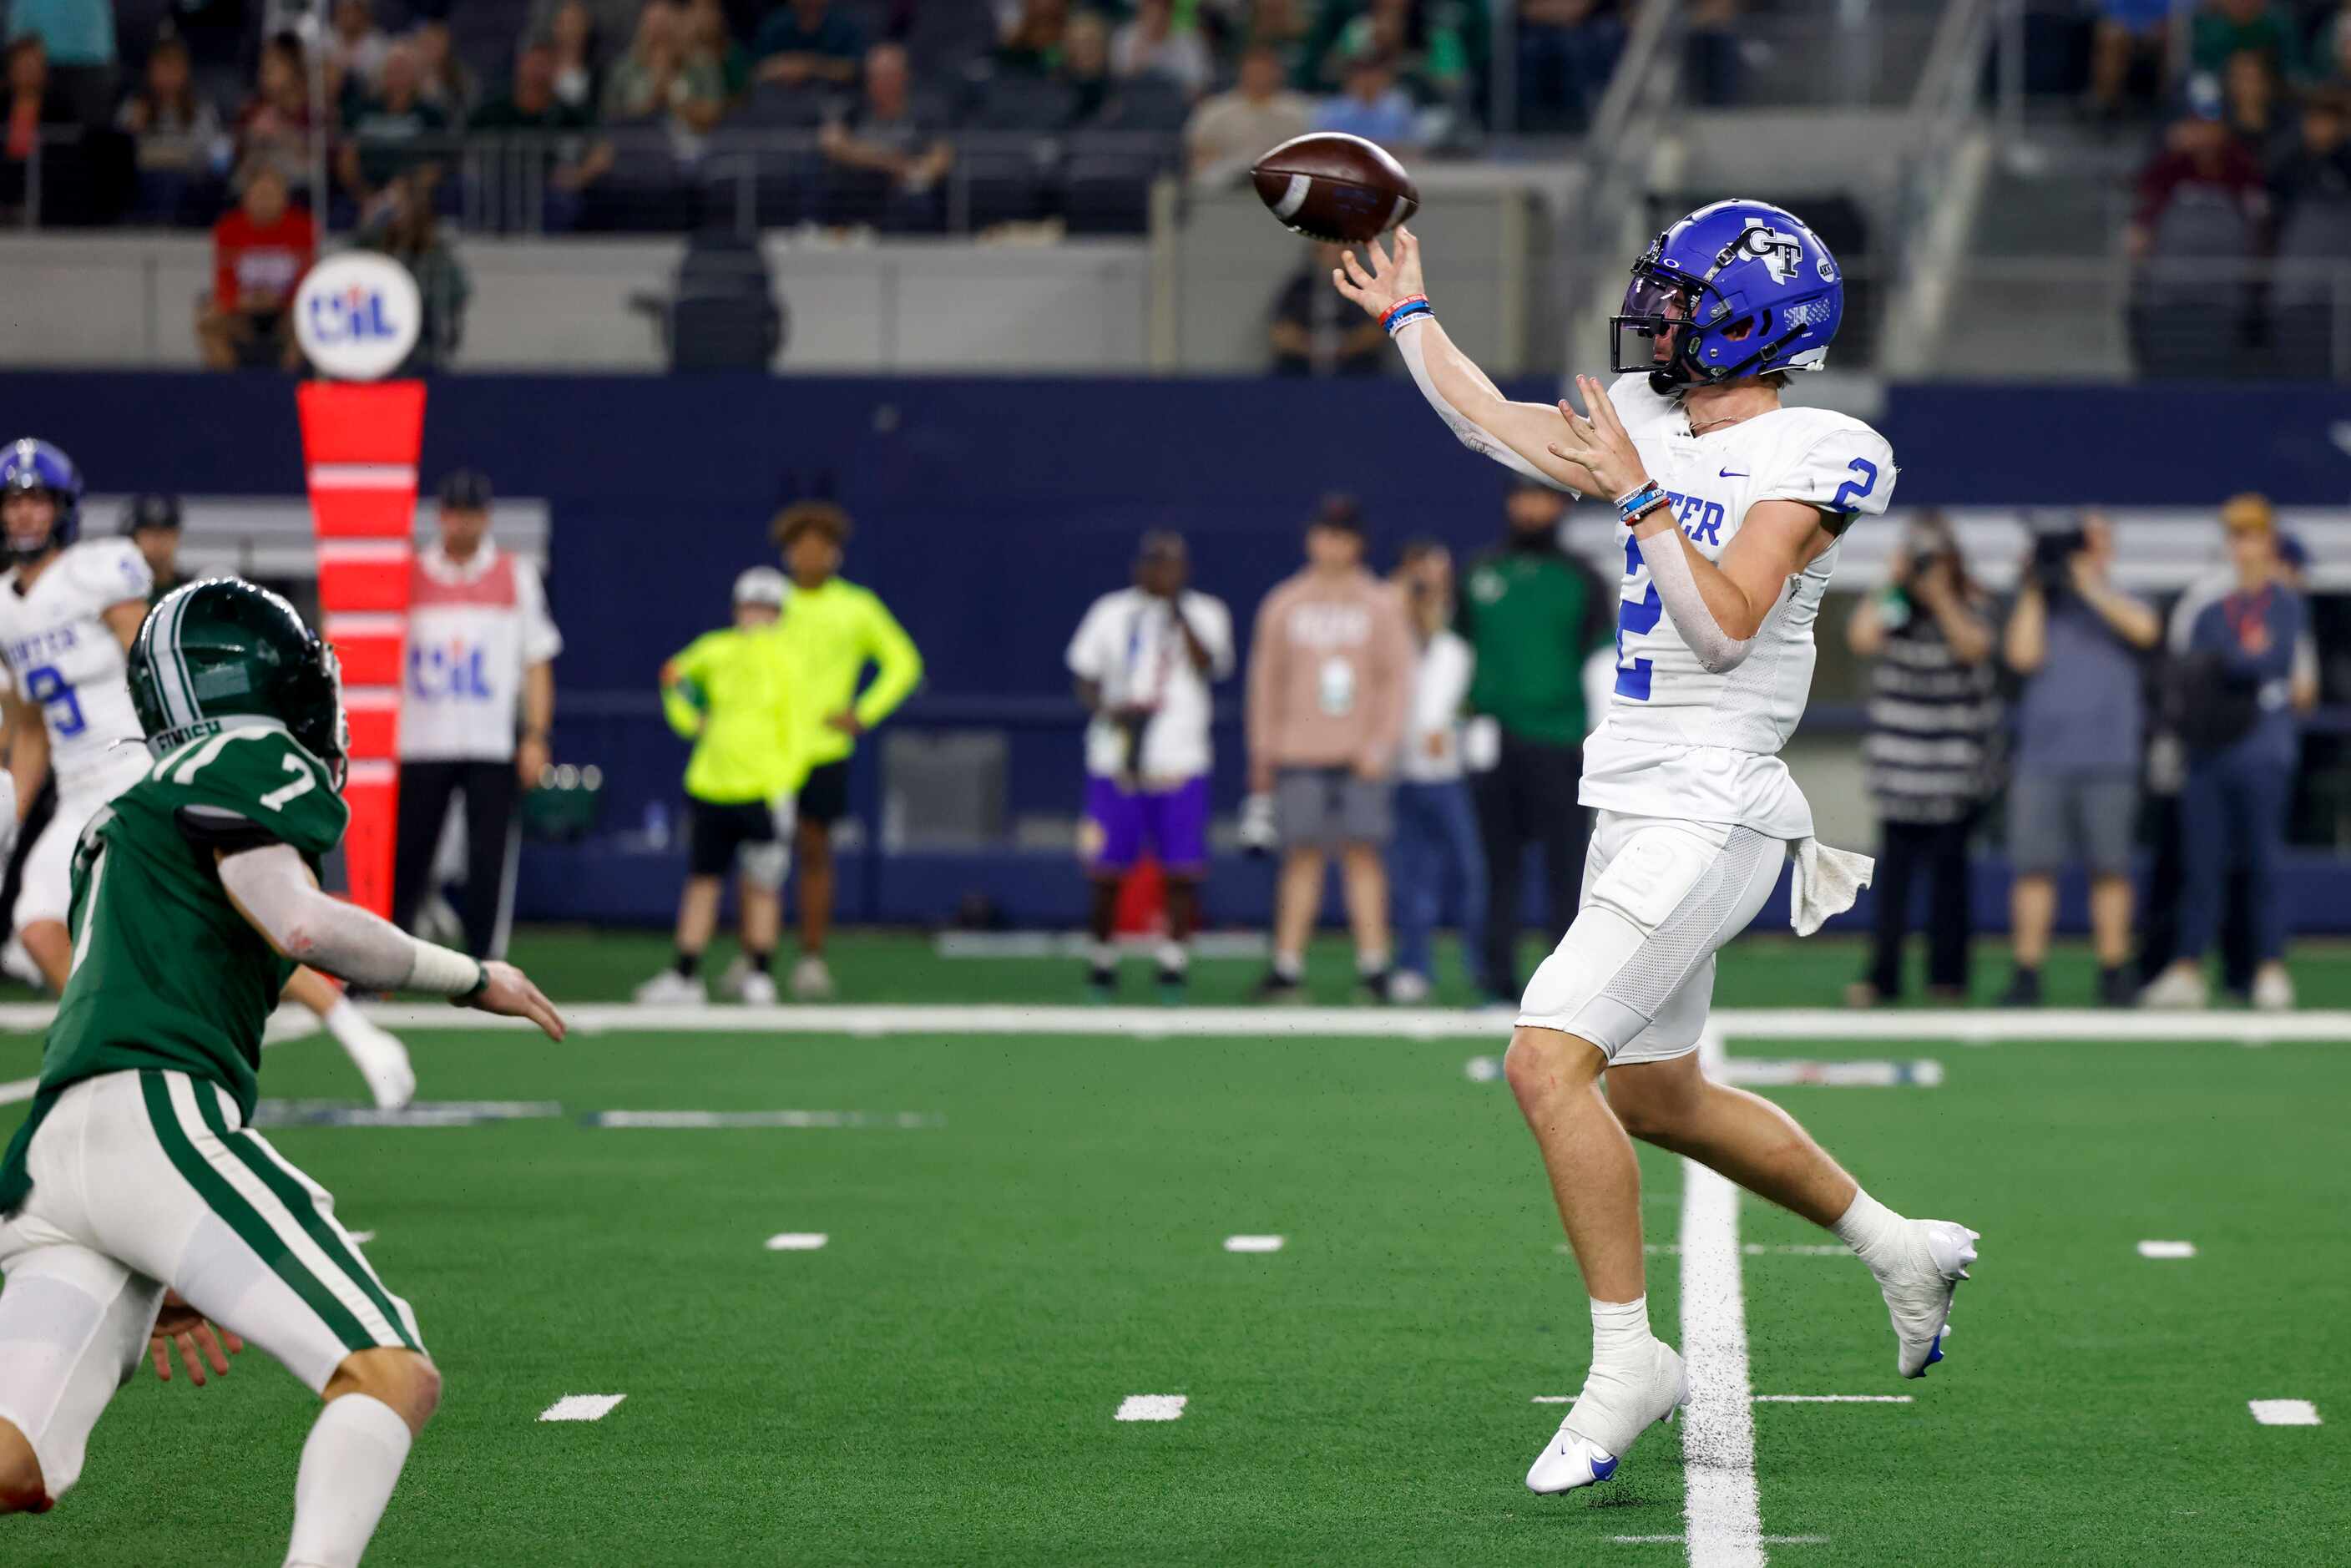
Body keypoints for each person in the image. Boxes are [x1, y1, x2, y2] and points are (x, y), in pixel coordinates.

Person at [1330, 203, 1977, 1494]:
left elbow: (1729, 626)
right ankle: (1895, 1243)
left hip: (1718, 799)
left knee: (1544, 1056)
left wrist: (1638, 496)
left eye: (1682, 298)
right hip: (1630, 800)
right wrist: (1411, 317)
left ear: (1753, 322)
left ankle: (1629, 1355)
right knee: (1655, 1094)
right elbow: (1495, 423)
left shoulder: (1818, 446)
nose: (1657, 317)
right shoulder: (1658, 420)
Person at [0, 577, 565, 1558]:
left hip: (52, 1162)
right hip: (157, 1123)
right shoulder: (252, 753)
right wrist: (469, 975)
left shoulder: (124, 816)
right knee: (389, 1372)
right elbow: (298, 920)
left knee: (12, 1464)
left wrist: (152, 1230)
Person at [0, 440, 416, 1109]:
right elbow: (27, 732)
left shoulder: (95, 574)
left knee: (238, 909)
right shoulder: (3, 607)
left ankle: (357, 1031)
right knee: (37, 923)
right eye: (12, 501)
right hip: (80, 793)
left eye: (35, 500)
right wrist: (13, 819)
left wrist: (185, 758)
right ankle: (119, 1057)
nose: (22, 515)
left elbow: (152, 664)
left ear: (63, 508)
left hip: (139, 768)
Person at [1245, 494, 1414, 1002]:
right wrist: (1263, 751)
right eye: (1325, 533)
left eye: (1342, 535)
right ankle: (1288, 963)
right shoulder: (1285, 603)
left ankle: (1374, 963)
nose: (1333, 544)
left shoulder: (1380, 603)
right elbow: (1265, 681)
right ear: (1311, 538)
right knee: (1301, 857)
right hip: (1300, 752)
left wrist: (1381, 745)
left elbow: (1397, 680)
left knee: (1364, 856)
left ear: (1357, 542)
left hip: (1360, 755)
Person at [1454, 477, 1615, 1005]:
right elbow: (1457, 657)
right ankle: (1496, 979)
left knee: (1567, 867)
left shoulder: (1582, 578)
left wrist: (1603, 740)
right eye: (1522, 496)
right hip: (1494, 744)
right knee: (1498, 866)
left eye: (1542, 498)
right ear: (1509, 503)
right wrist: (1450, 724)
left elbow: (1599, 663)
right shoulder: (1479, 572)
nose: (1532, 508)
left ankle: (1567, 986)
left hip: (1561, 742)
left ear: (1557, 506)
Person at [2141, 496, 2305, 1009]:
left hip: (2263, 746)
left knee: (2262, 862)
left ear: (2270, 541)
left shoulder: (2287, 601)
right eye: (2237, 536)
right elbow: (2203, 666)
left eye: (2254, 535)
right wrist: (2243, 657)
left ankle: (2270, 968)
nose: (2245, 546)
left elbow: (2274, 660)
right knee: (2202, 863)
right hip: (2211, 748)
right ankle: (2188, 968)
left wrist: (2238, 661)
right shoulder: (2211, 606)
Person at [392, 469, 563, 962]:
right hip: (421, 740)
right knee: (408, 856)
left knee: (489, 858)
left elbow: (537, 660)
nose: (462, 525)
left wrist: (535, 734)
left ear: (486, 517)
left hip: (489, 740)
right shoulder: (411, 574)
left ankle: (486, 963)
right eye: (453, 513)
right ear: (441, 516)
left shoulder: (515, 573)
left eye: (471, 514)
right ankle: (384, 965)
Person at [1998, 513, 2160, 1006]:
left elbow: (2146, 631)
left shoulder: (2128, 597)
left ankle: (2114, 972)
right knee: (2034, 869)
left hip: (2110, 757)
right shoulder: (2041, 603)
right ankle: (2027, 974)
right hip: (2043, 759)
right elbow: (2021, 657)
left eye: (2093, 544)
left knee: (2111, 868)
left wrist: (2091, 587)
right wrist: (2034, 586)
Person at [1065, 532, 1234, 1001]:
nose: (1162, 573)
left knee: (1181, 869)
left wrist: (1178, 614)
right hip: (1115, 759)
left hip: (1179, 760)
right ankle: (1102, 962)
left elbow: (1210, 665)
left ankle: (1173, 965)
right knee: (1106, 869)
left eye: (1172, 565)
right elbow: (1083, 672)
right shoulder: (1110, 611)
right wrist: (1108, 709)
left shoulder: (1207, 612)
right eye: (1154, 564)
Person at [1843, 513, 2000, 1006]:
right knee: (1894, 885)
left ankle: (1948, 978)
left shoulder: (1972, 601)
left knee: (1951, 883)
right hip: (1900, 771)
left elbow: (1975, 648)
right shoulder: (1895, 603)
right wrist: (1893, 579)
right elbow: (1861, 638)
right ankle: (1883, 977)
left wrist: (1942, 596)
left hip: (1953, 772)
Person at [771, 499, 923, 1000]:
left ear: (835, 554)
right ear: (789, 554)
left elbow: (904, 662)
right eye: (802, 546)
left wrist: (864, 711)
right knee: (760, 857)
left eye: (821, 546)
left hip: (823, 752)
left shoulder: (857, 606)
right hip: (764, 752)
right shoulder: (769, 604)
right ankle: (757, 958)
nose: (811, 555)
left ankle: (812, 959)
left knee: (815, 852)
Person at [638, 568, 804, 1007]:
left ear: (781, 614)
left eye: (768, 608)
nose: (759, 616)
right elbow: (673, 674)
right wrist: (691, 720)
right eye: (752, 606)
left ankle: (760, 974)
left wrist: (785, 788)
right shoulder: (716, 649)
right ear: (737, 609)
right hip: (711, 785)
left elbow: (798, 730)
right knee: (703, 882)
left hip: (762, 792)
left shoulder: (791, 660)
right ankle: (686, 975)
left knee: (764, 884)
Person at [1388, 539, 1484, 1005]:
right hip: (1400, 769)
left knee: (1470, 872)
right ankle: (1413, 965)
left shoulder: (1462, 624)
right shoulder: (1389, 625)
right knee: (1412, 875)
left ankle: (1481, 968)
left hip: (1452, 772)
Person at [468, 43, 613, 232]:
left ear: (554, 70)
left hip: (548, 190)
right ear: (521, 67)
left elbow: (603, 149)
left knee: (567, 206)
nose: (537, 72)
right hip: (499, 187)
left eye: (544, 65)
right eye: (532, 64)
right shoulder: (494, 109)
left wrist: (579, 176)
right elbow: (458, 141)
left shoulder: (567, 111)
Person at [817, 43, 952, 231]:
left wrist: (915, 174)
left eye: (888, 76)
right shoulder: (853, 109)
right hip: (859, 187)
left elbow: (941, 155)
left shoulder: (925, 112)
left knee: (918, 201)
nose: (881, 83)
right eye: (875, 76)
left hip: (903, 192)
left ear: (905, 77)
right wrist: (890, 164)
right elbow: (832, 143)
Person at [196, 159, 313, 372]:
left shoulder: (303, 228)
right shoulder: (228, 228)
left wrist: (281, 301)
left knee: (307, 323)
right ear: (246, 198)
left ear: (284, 198)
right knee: (207, 322)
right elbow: (224, 278)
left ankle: (285, 381)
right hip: (242, 310)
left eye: (271, 195)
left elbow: (307, 279)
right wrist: (240, 302)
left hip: (285, 311)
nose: (265, 202)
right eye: (259, 195)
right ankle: (229, 384)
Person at [353, 175, 468, 373]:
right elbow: (345, 267)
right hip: (377, 346)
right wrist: (368, 222)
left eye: (398, 200)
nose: (392, 207)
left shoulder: (435, 253)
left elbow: (457, 294)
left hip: (422, 348)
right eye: (388, 200)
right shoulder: (373, 246)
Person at [114, 33, 222, 224]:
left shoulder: (202, 111)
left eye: (173, 68)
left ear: (185, 72)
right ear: (150, 71)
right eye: (162, 67)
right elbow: (118, 157)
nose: (168, 75)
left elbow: (206, 156)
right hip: (144, 181)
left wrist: (171, 158)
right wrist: (132, 129)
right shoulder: (132, 108)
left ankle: (165, 235)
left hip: (186, 182)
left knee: (171, 181)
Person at [1186, 40, 1310, 180]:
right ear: (1242, 71)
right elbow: (1198, 152)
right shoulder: (1215, 109)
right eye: (1254, 70)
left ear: (1278, 72)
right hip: (1227, 181)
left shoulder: (1298, 109)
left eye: (1265, 70)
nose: (1259, 76)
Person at [1269, 240, 1389, 376]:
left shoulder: (1367, 284)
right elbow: (1281, 332)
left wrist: (1342, 348)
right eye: (1326, 251)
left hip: (1358, 370)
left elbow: (1377, 331)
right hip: (1300, 369)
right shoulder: (1299, 287)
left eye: (1340, 252)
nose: (1332, 257)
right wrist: (1313, 349)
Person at [232, 32, 317, 195]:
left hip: (297, 188)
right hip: (255, 189)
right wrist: (250, 136)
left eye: (273, 67)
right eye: (264, 69)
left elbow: (318, 163)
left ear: (294, 69)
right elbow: (237, 158)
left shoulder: (314, 111)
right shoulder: (251, 110)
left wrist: (286, 135)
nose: (265, 74)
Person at [1312, 45, 1418, 147]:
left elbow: (1411, 146)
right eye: (1362, 75)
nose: (1368, 81)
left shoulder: (1400, 109)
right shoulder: (1332, 110)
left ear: (1387, 79)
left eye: (1375, 76)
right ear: (1350, 79)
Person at [752, 0, 863, 92]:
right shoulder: (775, 26)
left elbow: (852, 70)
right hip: (781, 99)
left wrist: (809, 66)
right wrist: (783, 66)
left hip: (831, 99)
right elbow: (756, 70)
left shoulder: (844, 26)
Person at [122, 491, 190, 600]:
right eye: (150, 533)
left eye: (164, 533)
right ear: (135, 538)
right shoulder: (120, 594)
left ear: (176, 536)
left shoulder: (190, 593)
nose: (158, 542)